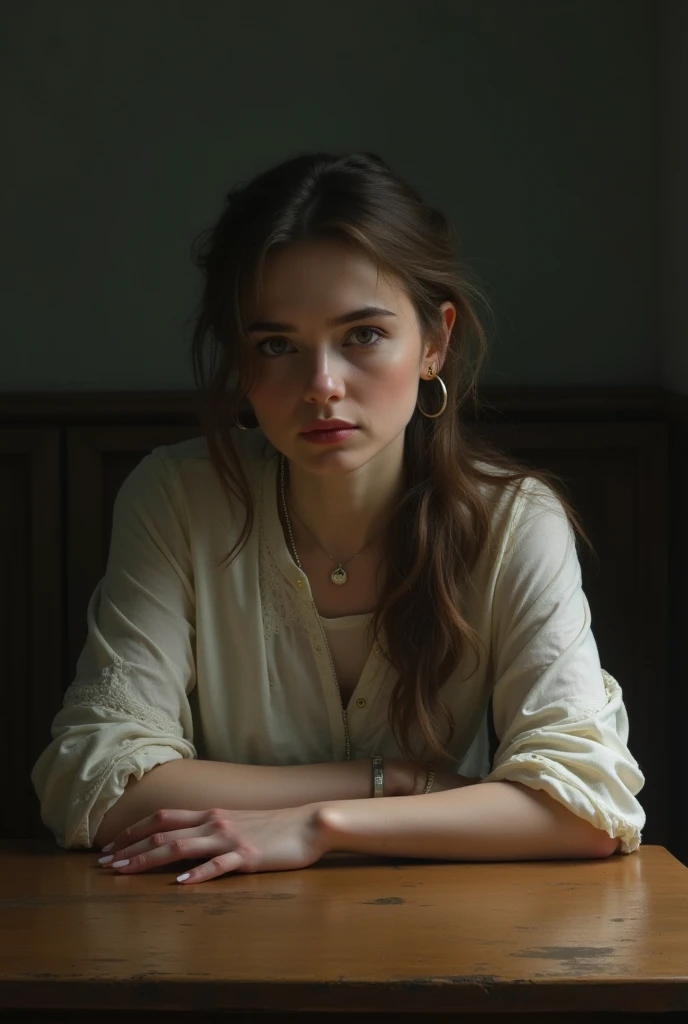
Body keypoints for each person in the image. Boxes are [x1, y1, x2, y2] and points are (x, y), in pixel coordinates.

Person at [31, 151, 645, 885]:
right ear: (240, 360)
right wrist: (399, 782)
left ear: (436, 342)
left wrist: (319, 825)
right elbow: (95, 784)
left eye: (362, 336)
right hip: (210, 938)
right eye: (277, 346)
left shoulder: (512, 521)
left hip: (451, 944)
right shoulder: (177, 499)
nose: (321, 386)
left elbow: (586, 807)